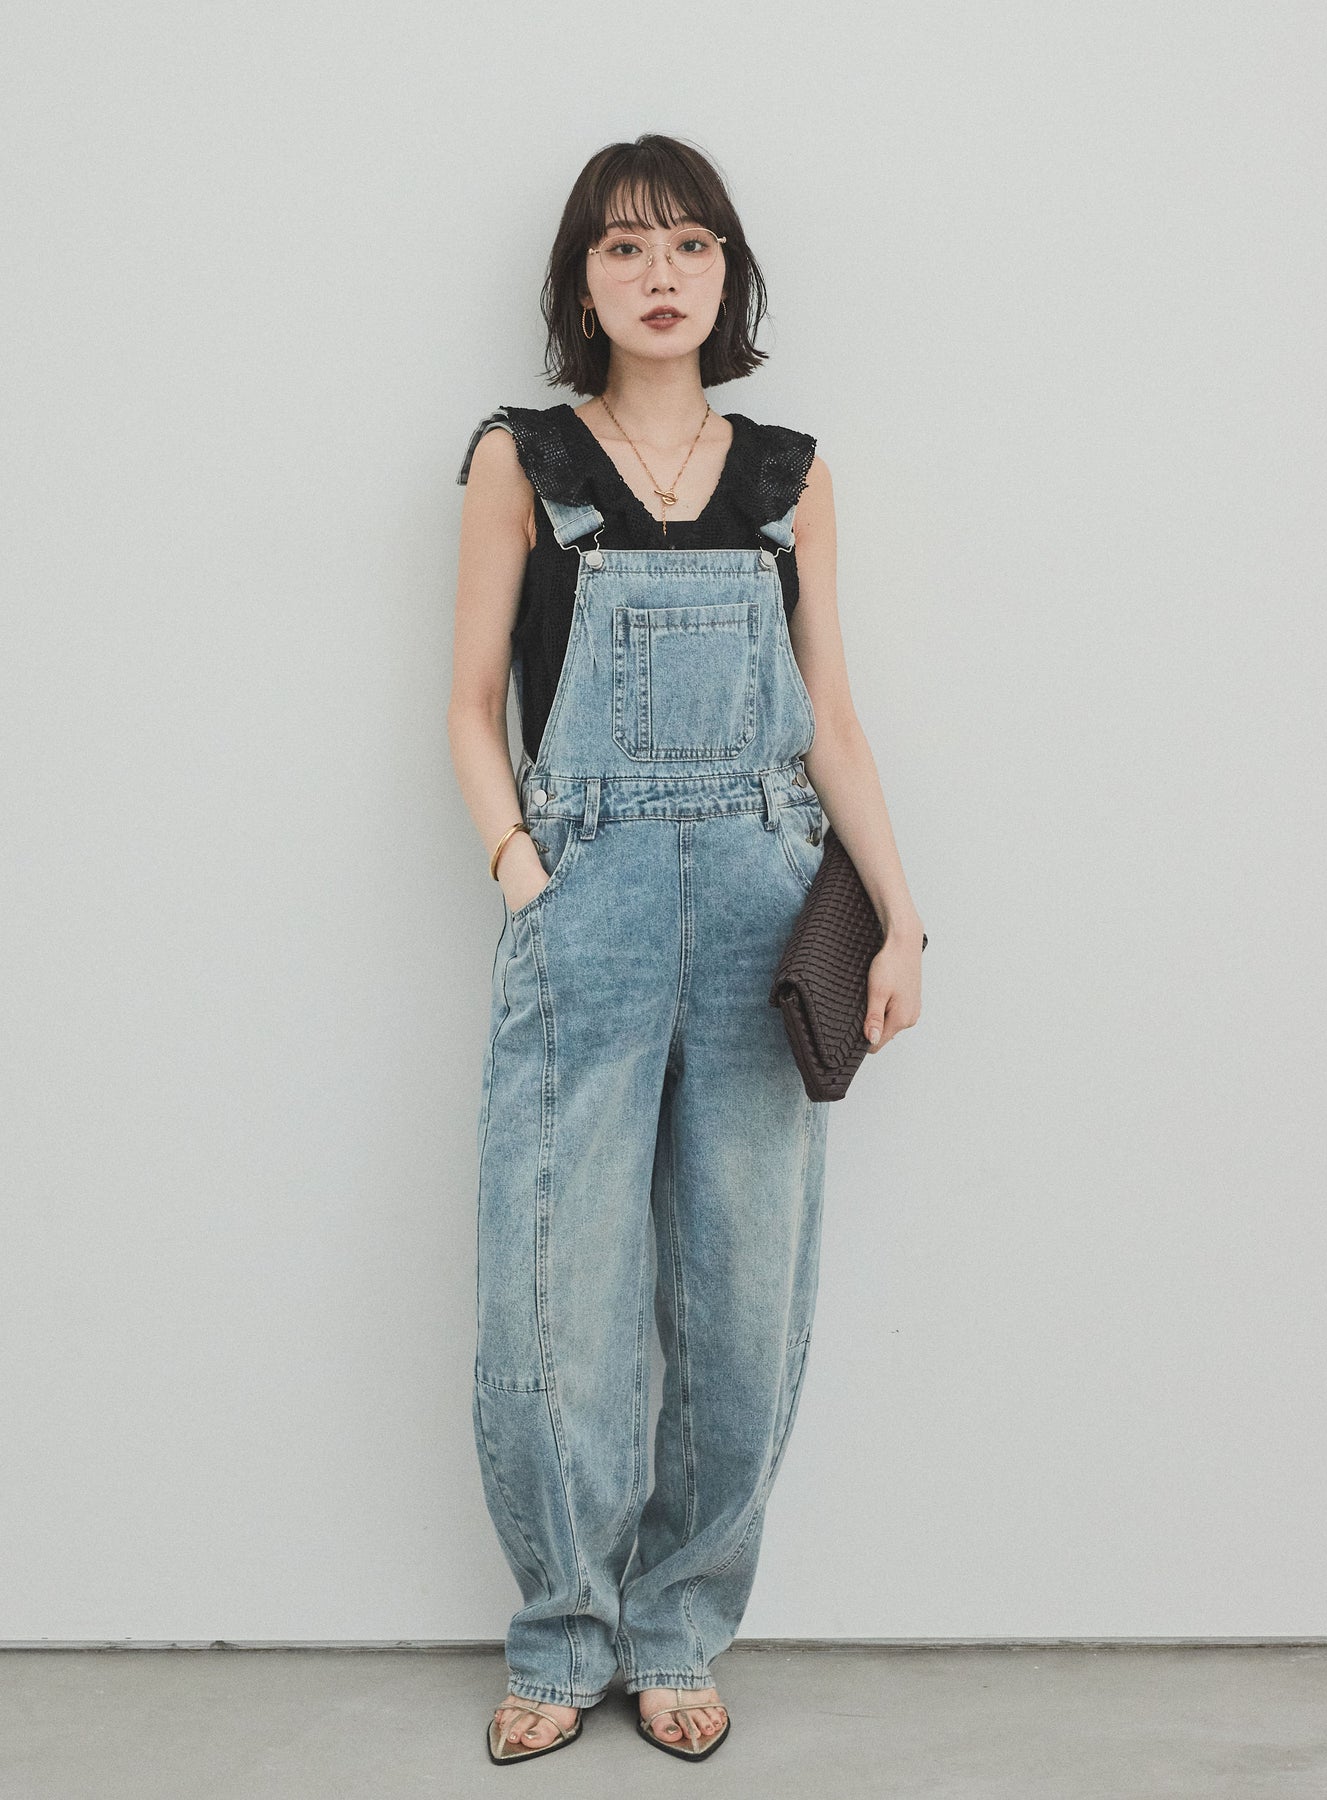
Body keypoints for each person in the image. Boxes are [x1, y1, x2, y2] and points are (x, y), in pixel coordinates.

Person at [447, 133, 925, 1766]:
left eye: (692, 245)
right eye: (625, 246)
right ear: (579, 282)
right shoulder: (521, 459)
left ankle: (674, 1632)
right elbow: (466, 705)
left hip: (756, 899)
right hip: (580, 894)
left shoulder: (790, 474)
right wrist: (524, 872)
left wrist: (898, 916)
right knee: (551, 1294)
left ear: (730, 275)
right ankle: (558, 1633)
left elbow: (833, 722)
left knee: (738, 1297)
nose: (661, 274)